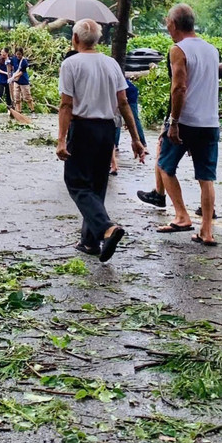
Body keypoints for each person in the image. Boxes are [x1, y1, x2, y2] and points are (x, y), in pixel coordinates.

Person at [56, 19, 146, 263]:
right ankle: (90, 241)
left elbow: (66, 104)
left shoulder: (71, 64)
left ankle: (107, 228)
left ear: (75, 40)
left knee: (76, 183)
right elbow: (124, 102)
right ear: (98, 40)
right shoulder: (111, 64)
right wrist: (135, 138)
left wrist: (61, 139)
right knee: (96, 185)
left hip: (83, 128)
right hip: (107, 130)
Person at [152, 4, 222, 245]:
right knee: (206, 177)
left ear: (173, 24)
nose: (167, 29)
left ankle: (181, 215)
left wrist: (174, 122)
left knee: (164, 165)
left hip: (186, 121)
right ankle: (207, 230)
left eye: (167, 24)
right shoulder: (212, 50)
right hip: (210, 121)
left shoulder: (178, 49)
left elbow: (179, 87)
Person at [110, 72, 147, 176]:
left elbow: (122, 103)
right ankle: (115, 147)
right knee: (115, 122)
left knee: (133, 119)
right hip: (119, 97)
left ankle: (143, 144)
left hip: (128, 95)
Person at [10, 46, 32, 116]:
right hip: (16, 82)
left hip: (24, 81)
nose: (18, 56)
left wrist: (12, 77)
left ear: (22, 54)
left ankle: (32, 111)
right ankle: (18, 112)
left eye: (20, 54)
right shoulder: (13, 59)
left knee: (27, 97)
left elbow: (21, 72)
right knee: (16, 97)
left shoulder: (24, 62)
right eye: (17, 54)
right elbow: (10, 65)